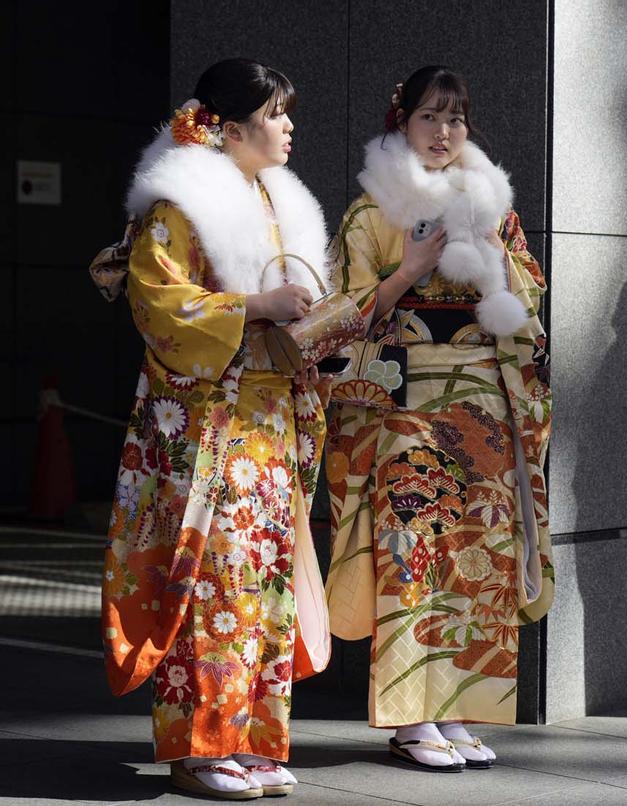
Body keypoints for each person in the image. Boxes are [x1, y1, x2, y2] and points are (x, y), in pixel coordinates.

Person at [96, 58, 332, 799]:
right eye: (275, 114)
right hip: (210, 424)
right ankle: (202, 746)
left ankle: (254, 739)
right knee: (211, 579)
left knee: (261, 581)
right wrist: (259, 307)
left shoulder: (271, 200)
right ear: (230, 128)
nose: (289, 126)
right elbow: (159, 304)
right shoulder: (182, 205)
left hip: (268, 423)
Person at [323, 66, 553, 771]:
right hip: (405, 406)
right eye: (430, 117)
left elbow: (529, 301)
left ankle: (459, 707)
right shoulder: (372, 210)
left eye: (455, 119)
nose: (444, 133)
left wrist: (494, 264)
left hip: (482, 405)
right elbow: (339, 315)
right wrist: (410, 267)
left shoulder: (493, 207)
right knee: (413, 548)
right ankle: (409, 715)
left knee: (475, 554)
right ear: (402, 121)